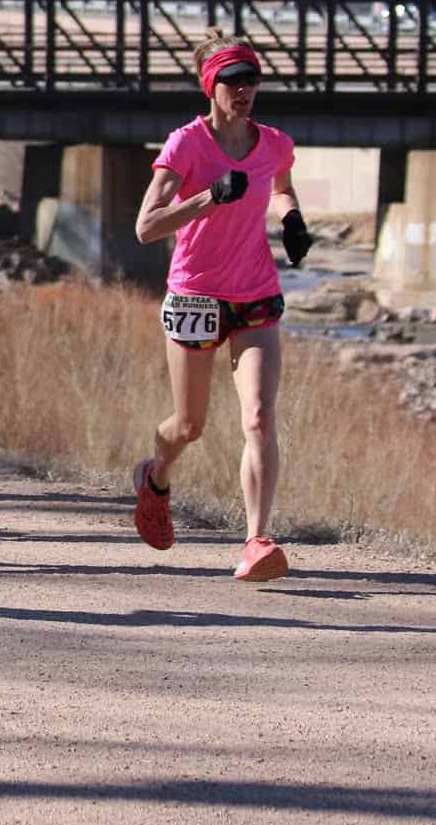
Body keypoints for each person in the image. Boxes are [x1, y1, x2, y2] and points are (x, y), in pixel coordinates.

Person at [131, 30, 310, 584]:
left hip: (255, 292)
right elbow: (145, 227)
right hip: (194, 295)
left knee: (258, 415)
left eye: (251, 80)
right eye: (232, 81)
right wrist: (209, 198)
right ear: (211, 86)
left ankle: (257, 541)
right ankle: (155, 476)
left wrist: (291, 219)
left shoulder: (274, 142)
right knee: (189, 426)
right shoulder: (186, 145)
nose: (244, 90)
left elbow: (280, 185)